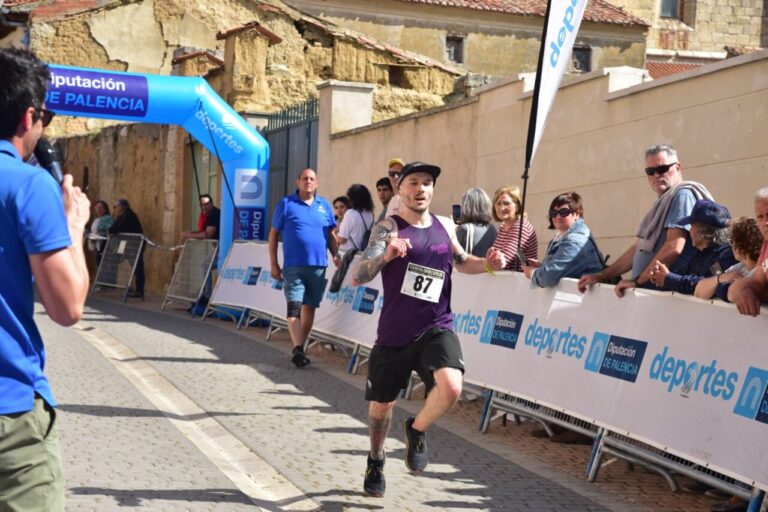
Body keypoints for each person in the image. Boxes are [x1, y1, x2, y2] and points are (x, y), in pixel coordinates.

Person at [351, 161, 506, 497]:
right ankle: (376, 459)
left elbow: (463, 262)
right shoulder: (387, 228)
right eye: (413, 183)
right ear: (399, 189)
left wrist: (490, 265)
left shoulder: (446, 226)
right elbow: (359, 275)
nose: (420, 189)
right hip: (394, 332)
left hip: (437, 326)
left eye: (427, 183)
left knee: (451, 387)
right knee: (381, 407)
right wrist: (386, 256)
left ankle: (416, 429)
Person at [0, 47, 90, 512]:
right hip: (10, 415)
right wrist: (73, 225)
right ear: (28, 116)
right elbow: (68, 306)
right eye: (45, 119)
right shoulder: (27, 184)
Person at [578, 144, 712, 297]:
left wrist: (637, 281)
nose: (656, 175)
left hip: (664, 295)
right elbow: (639, 249)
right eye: (650, 171)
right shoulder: (664, 201)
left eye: (662, 169)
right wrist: (602, 275)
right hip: (650, 292)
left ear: (678, 167)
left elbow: (674, 246)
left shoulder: (682, 195)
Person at [269, 168, 340, 367]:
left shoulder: (324, 205)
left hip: (318, 266)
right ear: (297, 182)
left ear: (316, 183)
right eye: (304, 179)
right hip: (293, 267)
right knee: (294, 306)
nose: (308, 182)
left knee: (310, 307)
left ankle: (299, 346)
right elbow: (273, 234)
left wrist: (335, 254)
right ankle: (298, 348)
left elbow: (330, 235)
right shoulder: (286, 204)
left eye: (312, 179)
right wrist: (274, 263)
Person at [647, 199, 737, 294]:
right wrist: (662, 276)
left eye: (692, 226)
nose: (690, 231)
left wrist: (670, 279)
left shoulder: (726, 256)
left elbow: (712, 284)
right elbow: (691, 281)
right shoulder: (700, 254)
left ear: (703, 231)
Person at [523, 192, 604, 288]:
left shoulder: (575, 241)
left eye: (563, 212)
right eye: (553, 213)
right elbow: (564, 270)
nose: (557, 216)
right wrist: (542, 266)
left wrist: (531, 273)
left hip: (581, 300)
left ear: (577, 214)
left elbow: (549, 277)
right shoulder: (561, 238)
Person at [694, 216, 763, 301]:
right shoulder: (740, 267)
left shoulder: (761, 272)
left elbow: (732, 295)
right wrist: (720, 278)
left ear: (741, 245)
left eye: (732, 241)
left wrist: (721, 286)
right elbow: (698, 292)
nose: (731, 246)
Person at [728, 187, 768, 316]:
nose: (765, 222)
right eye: (760, 217)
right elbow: (757, 282)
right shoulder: (766, 245)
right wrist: (747, 290)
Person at [181, 194, 221, 302]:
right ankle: (206, 294)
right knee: (204, 266)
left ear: (211, 203)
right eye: (202, 205)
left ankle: (207, 296)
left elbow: (207, 234)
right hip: (219, 248)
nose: (204, 207)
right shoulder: (208, 215)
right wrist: (190, 232)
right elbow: (203, 231)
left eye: (206, 204)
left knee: (204, 266)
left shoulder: (213, 215)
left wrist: (189, 235)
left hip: (223, 249)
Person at [490, 185, 538, 271]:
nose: (501, 208)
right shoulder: (503, 227)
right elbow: (493, 258)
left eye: (506, 203)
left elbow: (502, 261)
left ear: (517, 207)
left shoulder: (521, 227)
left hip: (519, 282)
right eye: (498, 203)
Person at [455, 187, 498, 258]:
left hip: (469, 268)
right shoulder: (492, 228)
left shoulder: (465, 228)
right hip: (488, 268)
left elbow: (453, 254)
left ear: (466, 206)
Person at [337, 184, 375, 252]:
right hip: (363, 254)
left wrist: (332, 234)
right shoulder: (371, 214)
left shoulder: (350, 213)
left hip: (348, 255)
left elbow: (341, 239)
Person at [87, 200, 114, 267]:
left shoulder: (108, 218)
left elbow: (109, 230)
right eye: (97, 207)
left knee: (107, 267)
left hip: (106, 246)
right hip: (97, 246)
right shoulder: (96, 220)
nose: (98, 209)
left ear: (105, 208)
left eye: (100, 207)